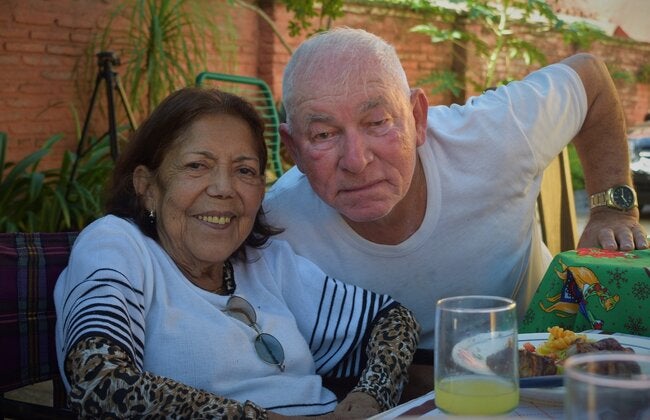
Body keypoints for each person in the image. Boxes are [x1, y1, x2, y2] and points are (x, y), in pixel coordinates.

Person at [263, 27, 648, 397]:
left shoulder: (491, 136)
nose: (356, 160)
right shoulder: (276, 227)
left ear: (417, 118)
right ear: (293, 149)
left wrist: (612, 209)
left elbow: (590, 78)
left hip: (541, 377)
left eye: (378, 122)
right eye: (324, 135)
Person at [54, 87, 420, 418]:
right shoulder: (118, 243)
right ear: (147, 187)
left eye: (244, 170)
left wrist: (370, 397)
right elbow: (100, 382)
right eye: (197, 166)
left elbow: (392, 320)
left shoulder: (265, 262)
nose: (223, 188)